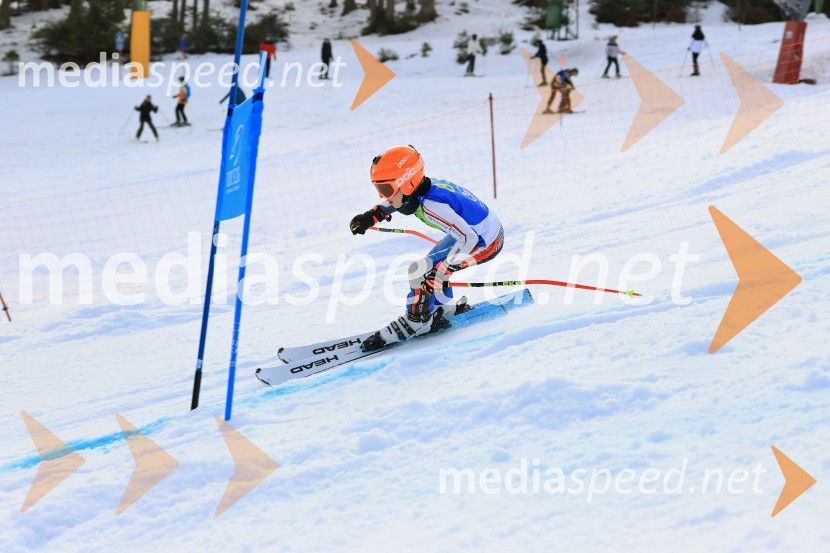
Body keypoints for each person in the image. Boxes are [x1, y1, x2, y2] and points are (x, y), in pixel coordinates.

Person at [349, 145, 504, 352]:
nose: (383, 197)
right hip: (472, 233)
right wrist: (374, 215)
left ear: (407, 182)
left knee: (422, 270)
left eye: (386, 189)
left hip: (485, 242)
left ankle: (417, 322)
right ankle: (443, 308)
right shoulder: (419, 190)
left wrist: (446, 270)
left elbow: (469, 237)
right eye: (379, 189)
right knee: (430, 265)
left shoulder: (433, 205)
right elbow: (401, 202)